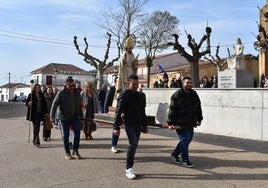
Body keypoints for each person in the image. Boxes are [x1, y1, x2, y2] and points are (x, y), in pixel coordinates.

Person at [113, 75, 148, 180]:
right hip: (128, 123)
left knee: (135, 145)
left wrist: (145, 125)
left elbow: (143, 111)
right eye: (133, 84)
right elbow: (118, 111)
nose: (135, 86)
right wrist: (116, 127)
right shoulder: (124, 94)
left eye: (137, 84)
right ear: (128, 84)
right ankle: (128, 168)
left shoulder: (140, 95)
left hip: (138, 124)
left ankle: (130, 167)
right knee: (133, 144)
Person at [167, 76, 203, 168]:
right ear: (183, 83)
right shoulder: (177, 95)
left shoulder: (194, 94)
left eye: (190, 83)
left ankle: (175, 154)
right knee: (185, 139)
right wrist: (170, 123)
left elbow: (198, 107)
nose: (189, 84)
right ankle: (185, 160)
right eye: (187, 83)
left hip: (190, 121)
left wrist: (199, 118)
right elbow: (172, 110)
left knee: (188, 139)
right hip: (179, 122)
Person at [50, 76, 83, 160]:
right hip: (64, 117)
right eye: (70, 86)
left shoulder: (77, 92)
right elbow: (54, 104)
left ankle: (75, 151)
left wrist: (81, 115)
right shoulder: (61, 93)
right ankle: (67, 153)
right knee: (66, 135)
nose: (72, 87)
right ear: (66, 85)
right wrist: (52, 116)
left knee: (77, 133)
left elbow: (79, 104)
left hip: (74, 116)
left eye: (73, 85)